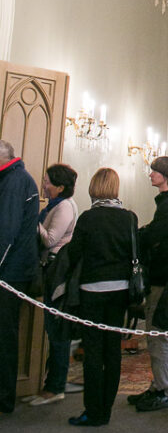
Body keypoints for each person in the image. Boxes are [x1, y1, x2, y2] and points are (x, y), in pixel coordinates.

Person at [66, 167, 133, 427]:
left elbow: (74, 254)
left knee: (93, 350)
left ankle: (92, 410)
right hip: (120, 289)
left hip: (92, 290)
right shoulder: (128, 218)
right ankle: (106, 408)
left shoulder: (88, 218)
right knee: (112, 350)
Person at [128, 155, 168, 413]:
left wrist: (140, 236)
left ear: (166, 175)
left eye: (154, 171)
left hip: (163, 275)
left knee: (158, 333)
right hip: (164, 273)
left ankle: (164, 389)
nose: (150, 174)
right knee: (156, 334)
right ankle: (158, 385)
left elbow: (157, 235)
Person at [28, 163, 78, 405]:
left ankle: (55, 385)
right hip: (49, 269)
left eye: (47, 181)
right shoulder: (54, 206)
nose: (44, 185)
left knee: (57, 329)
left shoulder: (64, 207)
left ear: (60, 186)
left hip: (56, 272)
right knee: (51, 327)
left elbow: (50, 240)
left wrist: (30, 218)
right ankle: (50, 382)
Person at [0, 139, 39, 415]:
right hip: (13, 270)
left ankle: (3, 398)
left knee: (4, 335)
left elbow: (6, 231)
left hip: (9, 272)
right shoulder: (15, 179)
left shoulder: (14, 182)